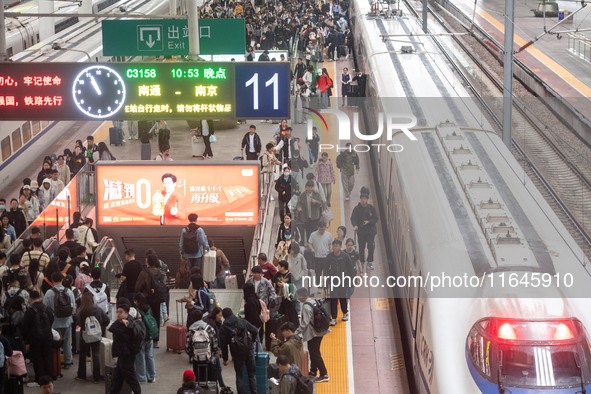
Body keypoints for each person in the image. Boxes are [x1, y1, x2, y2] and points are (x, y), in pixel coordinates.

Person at [219, 308, 259, 394]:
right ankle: (254, 392)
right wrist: (252, 341)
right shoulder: (242, 321)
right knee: (252, 374)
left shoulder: (224, 327)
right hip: (248, 350)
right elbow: (255, 330)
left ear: (224, 316)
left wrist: (225, 358)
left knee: (239, 375)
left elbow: (223, 345)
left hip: (237, 353)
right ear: (232, 313)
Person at [295, 287, 329, 383]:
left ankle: (324, 374)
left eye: (298, 297)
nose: (298, 299)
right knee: (314, 351)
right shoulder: (314, 301)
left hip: (313, 333)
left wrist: (297, 332)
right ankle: (313, 371)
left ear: (302, 296)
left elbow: (305, 322)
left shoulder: (306, 306)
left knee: (315, 353)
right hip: (321, 330)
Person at [108, 298, 142, 394]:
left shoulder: (128, 325)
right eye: (117, 312)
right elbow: (112, 328)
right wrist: (120, 321)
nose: (118, 314)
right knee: (117, 380)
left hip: (127, 356)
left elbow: (112, 328)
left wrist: (121, 323)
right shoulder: (122, 322)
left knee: (131, 380)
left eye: (120, 312)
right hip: (123, 355)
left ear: (126, 313)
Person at [43, 272, 76, 369]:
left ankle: (55, 362)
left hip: (54, 322)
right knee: (67, 342)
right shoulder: (69, 292)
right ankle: (67, 361)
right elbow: (73, 308)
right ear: (62, 280)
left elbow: (45, 308)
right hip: (67, 321)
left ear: (52, 280)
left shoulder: (49, 293)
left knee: (54, 343)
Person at [75, 291, 109, 382]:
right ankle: (96, 377)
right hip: (96, 335)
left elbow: (78, 323)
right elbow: (107, 320)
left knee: (82, 355)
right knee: (95, 354)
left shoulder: (81, 310)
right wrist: (100, 328)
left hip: (85, 335)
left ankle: (81, 375)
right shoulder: (98, 309)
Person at [22, 291, 54, 387]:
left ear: (30, 298)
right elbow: (52, 319)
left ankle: (39, 378)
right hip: (47, 337)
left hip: (35, 339)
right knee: (47, 357)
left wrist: (26, 340)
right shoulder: (47, 308)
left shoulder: (30, 311)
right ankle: (49, 378)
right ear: (40, 297)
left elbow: (25, 326)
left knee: (37, 359)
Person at [326, 239, 355, 326]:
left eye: (337, 246)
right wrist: (327, 280)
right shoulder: (329, 257)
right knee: (333, 299)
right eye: (334, 246)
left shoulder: (345, 256)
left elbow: (350, 268)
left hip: (343, 280)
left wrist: (351, 280)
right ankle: (334, 317)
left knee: (343, 298)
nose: (335, 247)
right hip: (333, 281)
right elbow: (326, 269)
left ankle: (345, 313)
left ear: (340, 247)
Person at [186, 309, 219, 383]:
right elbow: (215, 345)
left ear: (192, 319)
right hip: (209, 360)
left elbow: (188, 348)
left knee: (198, 380)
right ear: (202, 317)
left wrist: (193, 355)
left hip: (196, 360)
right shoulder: (209, 328)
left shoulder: (191, 330)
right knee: (211, 382)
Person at [350, 187, 379, 270]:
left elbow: (376, 218)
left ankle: (370, 261)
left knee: (371, 246)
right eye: (362, 199)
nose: (363, 200)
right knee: (361, 246)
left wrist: (369, 222)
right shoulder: (356, 209)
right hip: (361, 231)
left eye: (365, 199)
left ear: (367, 200)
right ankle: (361, 260)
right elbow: (353, 218)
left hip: (370, 231)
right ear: (360, 199)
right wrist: (355, 225)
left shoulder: (371, 208)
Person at [133, 293, 157, 383]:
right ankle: (152, 376)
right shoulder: (148, 308)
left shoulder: (137, 311)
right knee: (150, 356)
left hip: (141, 336)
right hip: (150, 336)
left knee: (140, 356)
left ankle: (142, 377)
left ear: (137, 301)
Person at [272, 260, 298, 327]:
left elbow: (294, 287)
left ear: (283, 267)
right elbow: (273, 281)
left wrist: (285, 285)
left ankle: (292, 326)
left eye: (279, 266)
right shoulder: (277, 274)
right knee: (280, 312)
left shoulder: (290, 275)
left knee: (290, 312)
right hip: (279, 297)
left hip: (288, 298)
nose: (277, 267)